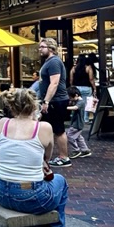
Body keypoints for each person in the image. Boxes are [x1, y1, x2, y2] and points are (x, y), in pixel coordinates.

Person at [0, 88, 74, 227]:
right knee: (60, 181)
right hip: (30, 197)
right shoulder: (43, 127)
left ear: (12, 106)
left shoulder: (3, 123)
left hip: (1, 192)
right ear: (34, 106)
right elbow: (46, 158)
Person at [38, 38, 72, 167]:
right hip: (51, 100)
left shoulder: (54, 62)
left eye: (42, 47)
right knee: (46, 127)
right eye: (39, 47)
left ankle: (64, 158)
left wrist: (46, 101)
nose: (40, 49)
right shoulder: (48, 62)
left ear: (51, 48)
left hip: (56, 100)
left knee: (58, 129)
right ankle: (45, 156)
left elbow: (54, 83)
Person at [65, 86, 91, 159]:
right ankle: (85, 150)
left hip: (77, 124)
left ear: (76, 95)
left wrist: (65, 107)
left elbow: (75, 108)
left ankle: (76, 150)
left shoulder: (81, 102)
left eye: (71, 97)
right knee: (78, 137)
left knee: (69, 135)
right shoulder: (77, 101)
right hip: (78, 123)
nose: (70, 99)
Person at [70, 54, 96, 120]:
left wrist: (72, 87)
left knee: (76, 103)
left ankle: (76, 119)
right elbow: (91, 79)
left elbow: (71, 79)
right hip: (86, 88)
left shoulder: (73, 68)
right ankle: (85, 119)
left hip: (76, 88)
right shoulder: (88, 68)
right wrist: (94, 88)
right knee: (86, 104)